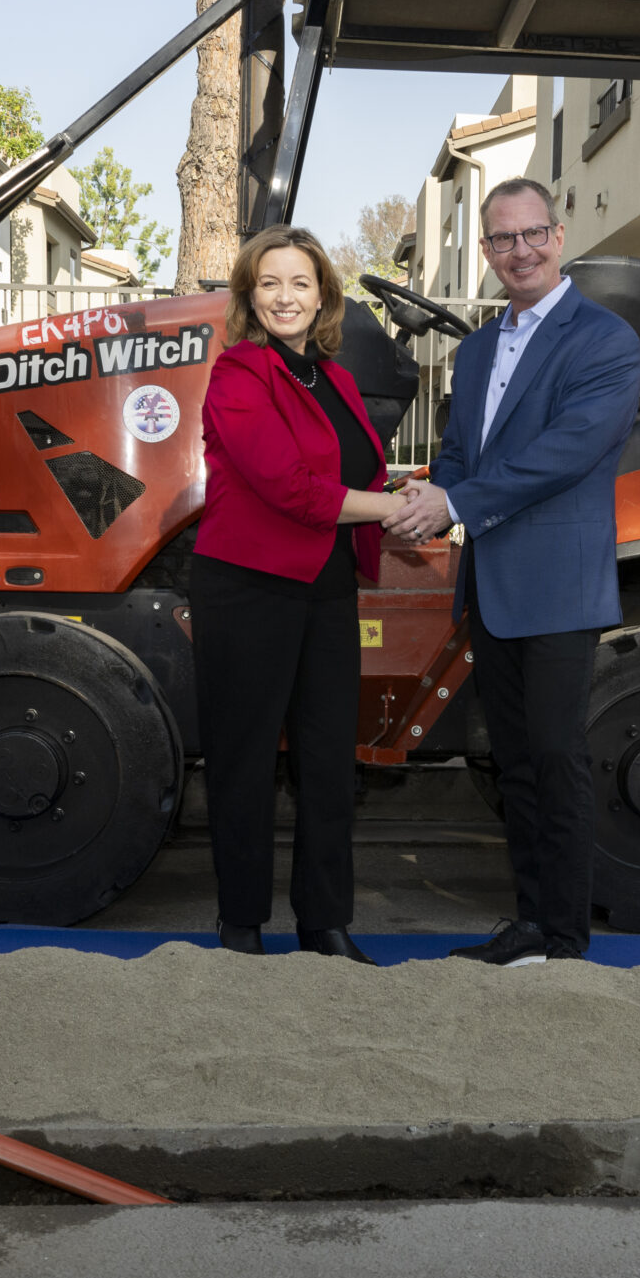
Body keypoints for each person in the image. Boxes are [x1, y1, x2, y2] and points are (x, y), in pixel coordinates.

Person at [388, 180, 640, 966]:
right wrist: (428, 491)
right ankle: (531, 923)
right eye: (501, 240)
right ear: (489, 252)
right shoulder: (477, 348)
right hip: (493, 581)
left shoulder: (603, 341)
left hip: (559, 585)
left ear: (559, 235)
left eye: (532, 233)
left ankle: (565, 937)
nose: (519, 251)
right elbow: (464, 449)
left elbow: (562, 454)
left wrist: (454, 498)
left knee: (558, 759)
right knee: (516, 761)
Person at [191, 225, 408, 963]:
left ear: (324, 295)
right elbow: (289, 485)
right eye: (271, 283)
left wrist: (402, 495)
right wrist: (392, 509)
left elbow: (360, 476)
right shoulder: (238, 376)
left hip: (326, 589)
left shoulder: (337, 378)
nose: (286, 297)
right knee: (245, 759)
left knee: (326, 760)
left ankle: (325, 925)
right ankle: (241, 924)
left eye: (300, 283)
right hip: (248, 588)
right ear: (250, 296)